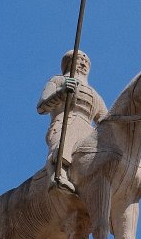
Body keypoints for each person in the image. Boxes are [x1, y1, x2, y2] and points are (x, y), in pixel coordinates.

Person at [37, 50, 107, 192]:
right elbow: (42, 107)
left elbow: (106, 120)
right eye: (79, 60)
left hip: (89, 131)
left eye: (86, 62)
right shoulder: (58, 80)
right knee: (63, 141)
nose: (83, 64)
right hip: (64, 122)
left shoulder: (94, 94)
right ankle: (57, 175)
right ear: (69, 63)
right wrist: (61, 93)